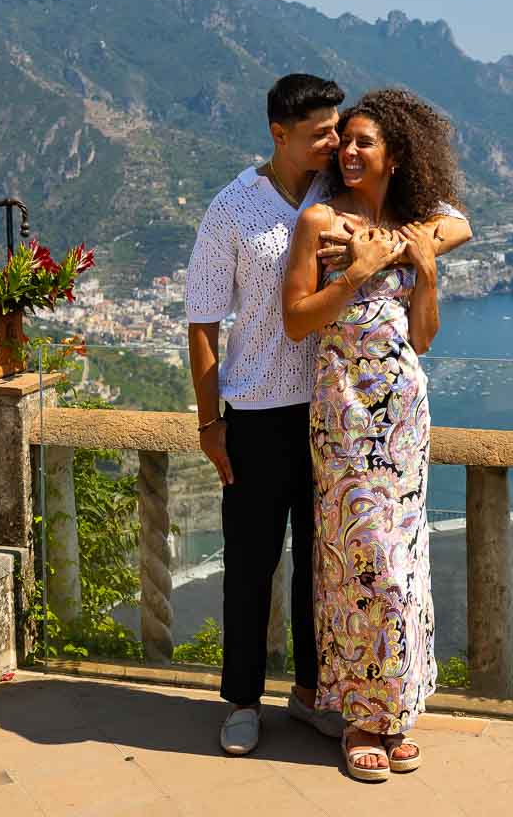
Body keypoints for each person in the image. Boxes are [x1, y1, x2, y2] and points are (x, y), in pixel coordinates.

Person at [185, 74, 471, 758]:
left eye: (342, 132)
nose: (335, 143)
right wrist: (209, 423)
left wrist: (402, 251)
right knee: (252, 562)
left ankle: (320, 697)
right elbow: (201, 320)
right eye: (323, 133)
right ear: (279, 133)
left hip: (330, 411)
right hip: (257, 409)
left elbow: (453, 222)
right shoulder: (234, 209)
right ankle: (243, 701)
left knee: (329, 566)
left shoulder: (333, 194)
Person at [283, 88, 466, 783]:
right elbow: (297, 321)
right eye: (346, 141)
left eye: (365, 143)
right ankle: (360, 715)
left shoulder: (410, 227)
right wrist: (356, 273)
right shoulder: (320, 224)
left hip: (404, 415)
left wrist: (424, 270)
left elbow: (423, 337)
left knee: (405, 562)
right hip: (343, 415)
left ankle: (395, 711)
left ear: (396, 156)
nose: (349, 152)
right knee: (360, 564)